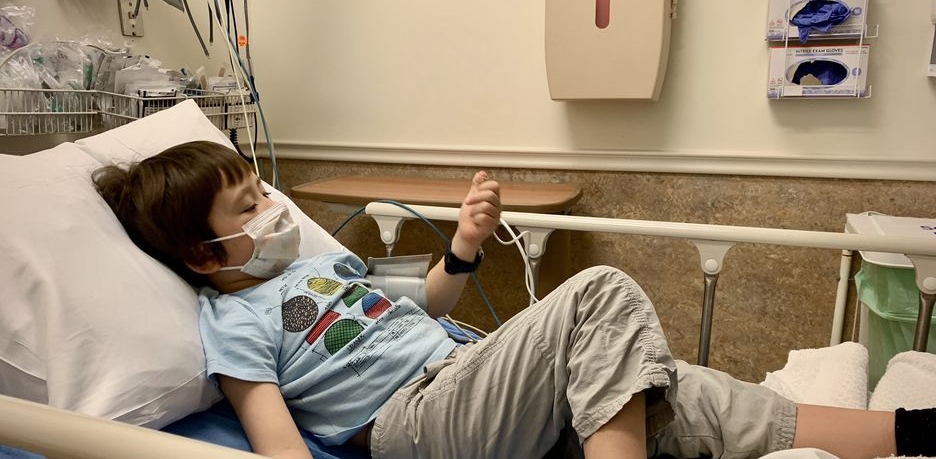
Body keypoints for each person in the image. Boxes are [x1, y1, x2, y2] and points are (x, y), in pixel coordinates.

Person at [93, 140, 934, 459]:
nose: (274, 208)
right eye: (247, 207)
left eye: (263, 189)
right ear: (202, 253)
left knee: (676, 389)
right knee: (600, 293)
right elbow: (278, 443)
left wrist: (463, 243)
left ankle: (907, 434)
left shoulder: (327, 266)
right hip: (417, 420)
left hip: (470, 371)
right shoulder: (234, 321)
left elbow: (425, 301)